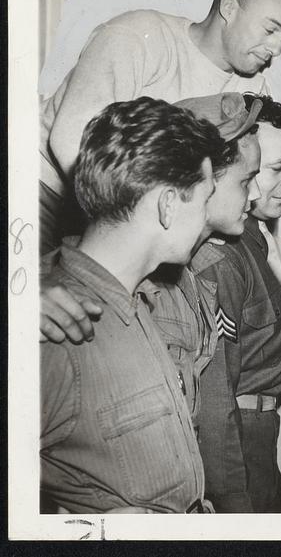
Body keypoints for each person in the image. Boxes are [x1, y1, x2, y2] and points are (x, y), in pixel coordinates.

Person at [40, 92, 265, 432]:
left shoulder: (163, 283)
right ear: (169, 203)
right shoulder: (60, 312)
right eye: (245, 181)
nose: (257, 195)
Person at [40, 97, 220, 513]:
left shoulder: (138, 298)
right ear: (168, 205)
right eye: (204, 199)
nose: (207, 217)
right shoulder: (54, 330)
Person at [40, 0, 281, 253]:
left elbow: (247, 175)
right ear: (228, 8)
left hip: (133, 216)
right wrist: (135, 227)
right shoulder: (138, 35)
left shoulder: (254, 88)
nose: (276, 49)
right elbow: (70, 139)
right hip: (49, 194)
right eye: (270, 30)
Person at [193, 96, 281, 512]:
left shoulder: (254, 235)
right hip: (238, 436)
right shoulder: (218, 261)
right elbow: (216, 397)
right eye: (275, 169)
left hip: (261, 433)